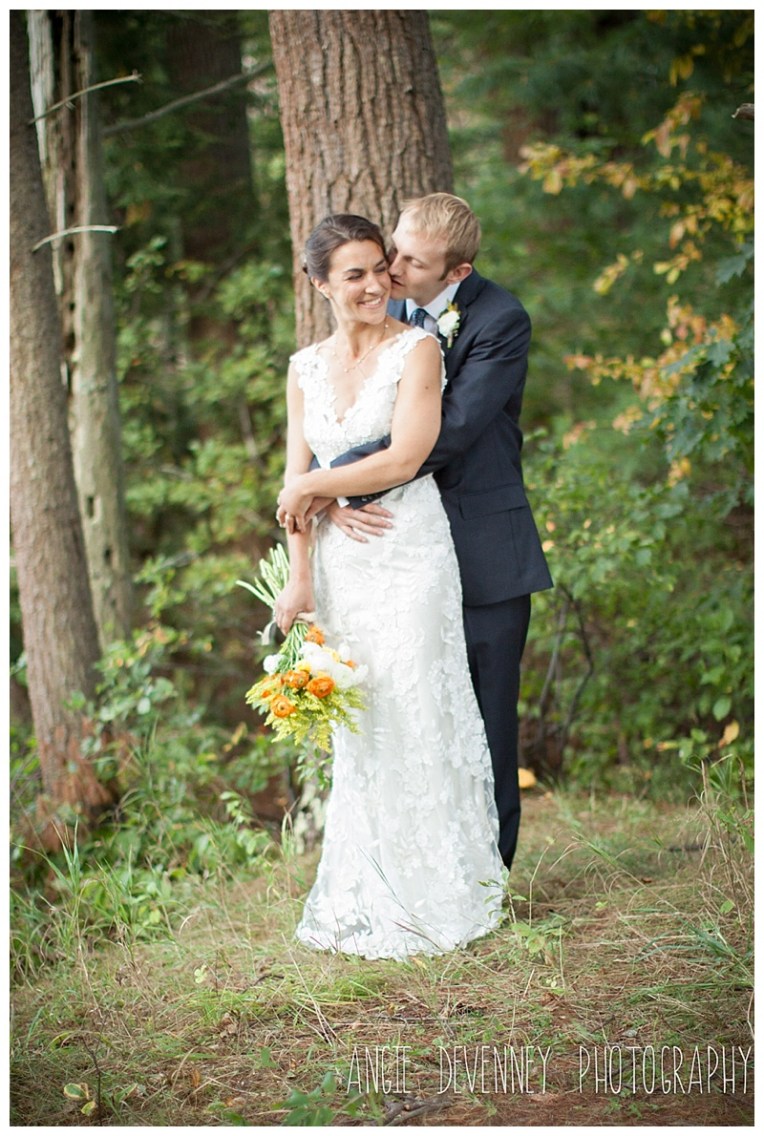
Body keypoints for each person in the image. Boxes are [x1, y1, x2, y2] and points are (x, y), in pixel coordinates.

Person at [273, 213, 505, 960]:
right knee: (363, 724)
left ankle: (439, 890)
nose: (376, 284)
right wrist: (301, 575)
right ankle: (365, 889)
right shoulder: (303, 366)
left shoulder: (419, 348)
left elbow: (406, 457)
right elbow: (292, 484)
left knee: (416, 707)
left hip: (410, 552)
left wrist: (320, 483)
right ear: (319, 284)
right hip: (342, 564)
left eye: (381, 267)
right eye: (354, 274)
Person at [311, 194, 553, 873]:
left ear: (457, 271)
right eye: (394, 248)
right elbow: (341, 415)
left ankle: (490, 875)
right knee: (410, 715)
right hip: (396, 550)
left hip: (483, 548)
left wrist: (332, 483)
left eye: (410, 260)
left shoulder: (501, 320)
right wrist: (328, 497)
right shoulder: (380, 313)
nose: (389, 266)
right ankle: (415, 869)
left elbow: (448, 434)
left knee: (486, 718)